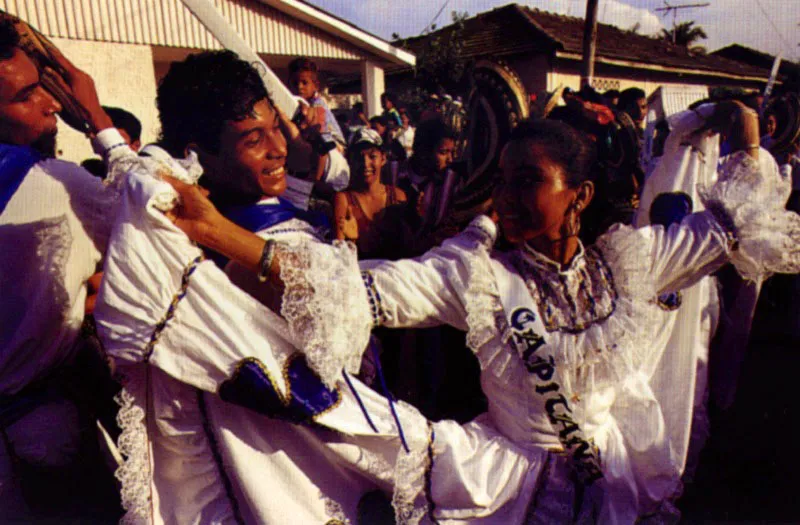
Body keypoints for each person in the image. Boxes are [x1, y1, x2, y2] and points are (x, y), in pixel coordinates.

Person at [154, 97, 800, 523]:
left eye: (529, 181)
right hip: (513, 492)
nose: (508, 197)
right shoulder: (476, 275)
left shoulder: (634, 261)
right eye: (503, 180)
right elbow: (358, 287)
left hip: (618, 479)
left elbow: (739, 218)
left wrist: (736, 120)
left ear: (580, 194)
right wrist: (217, 232)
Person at [0, 20, 130, 521]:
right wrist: (95, 115)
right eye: (26, 96)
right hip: (45, 436)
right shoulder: (55, 185)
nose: (50, 103)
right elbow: (158, 224)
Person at [334, 127, 406, 258]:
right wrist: (352, 242)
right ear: (349, 161)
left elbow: (408, 250)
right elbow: (338, 256)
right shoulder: (344, 200)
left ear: (383, 159)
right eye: (358, 158)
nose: (365, 164)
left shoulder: (397, 196)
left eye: (372, 156)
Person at [288, 56, 346, 147]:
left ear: (316, 86)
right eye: (295, 83)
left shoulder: (317, 106)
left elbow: (322, 136)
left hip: (334, 148)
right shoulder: (300, 104)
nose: (299, 87)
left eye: (304, 83)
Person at [81, 104, 142, 177]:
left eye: (115, 137)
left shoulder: (146, 176)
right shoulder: (89, 172)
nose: (102, 138)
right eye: (98, 132)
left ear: (136, 145)